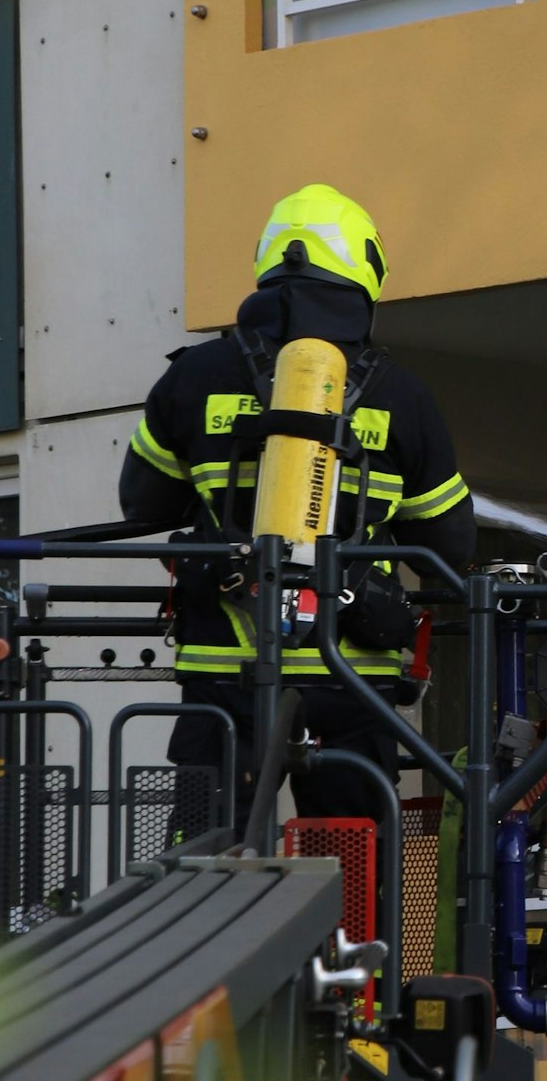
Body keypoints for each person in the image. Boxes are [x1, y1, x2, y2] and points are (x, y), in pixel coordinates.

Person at [119, 184, 475, 829]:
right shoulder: (403, 396)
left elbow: (142, 504)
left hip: (224, 674)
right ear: (364, 268)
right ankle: (352, 933)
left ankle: (205, 927)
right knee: (352, 857)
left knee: (203, 856)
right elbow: (451, 545)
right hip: (352, 675)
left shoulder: (191, 378)